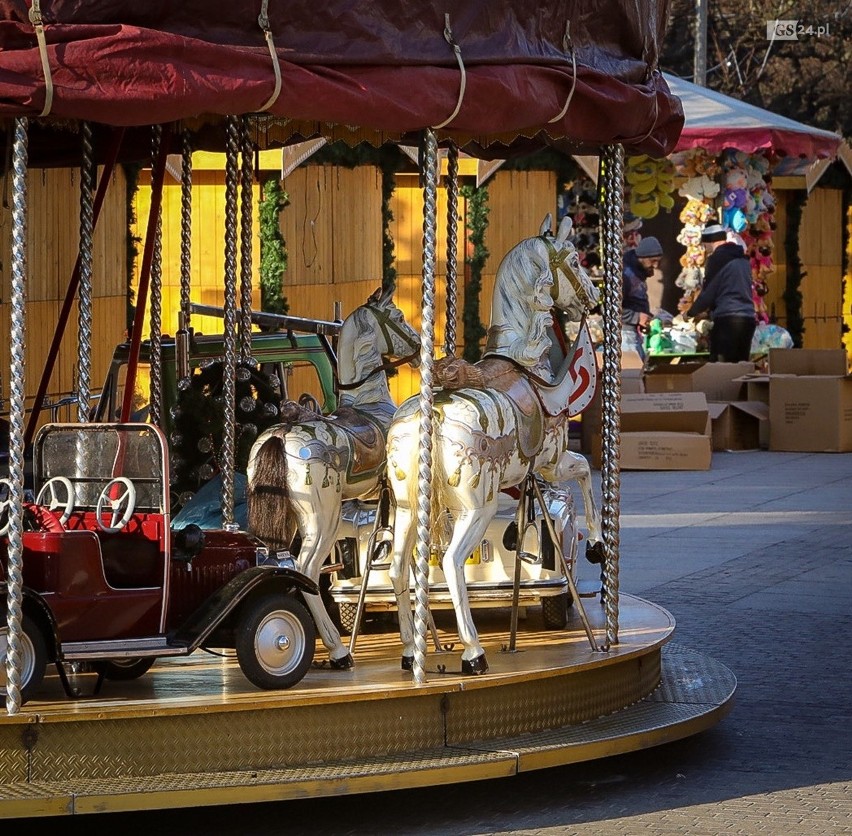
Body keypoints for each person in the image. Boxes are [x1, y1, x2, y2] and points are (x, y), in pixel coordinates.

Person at [684, 224, 756, 362]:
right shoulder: (742, 258)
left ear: (710, 241)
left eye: (705, 244)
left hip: (727, 320)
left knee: (722, 368)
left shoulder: (717, 260)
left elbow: (709, 292)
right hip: (747, 319)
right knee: (741, 366)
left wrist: (691, 312)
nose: (705, 248)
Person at [621, 235, 662, 361]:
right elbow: (609, 308)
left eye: (658, 261)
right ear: (641, 258)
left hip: (634, 333)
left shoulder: (639, 273)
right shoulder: (626, 275)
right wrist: (637, 317)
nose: (655, 266)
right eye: (653, 261)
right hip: (625, 335)